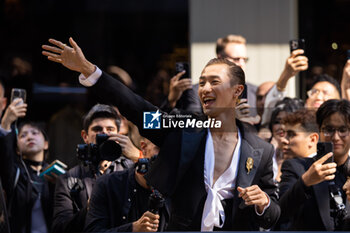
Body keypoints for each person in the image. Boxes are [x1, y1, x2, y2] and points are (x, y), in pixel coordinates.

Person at [42, 37, 280, 231]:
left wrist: (263, 203)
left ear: (237, 90)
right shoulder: (182, 128)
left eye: (214, 82)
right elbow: (136, 107)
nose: (205, 89)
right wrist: (91, 71)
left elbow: (273, 212)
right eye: (201, 82)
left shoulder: (260, 149)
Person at [52, 104, 138, 233]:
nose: (104, 133)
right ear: (85, 136)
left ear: (119, 135)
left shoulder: (132, 169)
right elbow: (60, 228)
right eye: (97, 129)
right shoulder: (68, 179)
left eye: (110, 129)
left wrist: (137, 157)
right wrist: (88, 208)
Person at [279, 99, 350, 230]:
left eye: (342, 129)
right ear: (319, 131)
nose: (335, 137)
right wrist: (305, 182)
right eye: (329, 129)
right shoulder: (297, 167)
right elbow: (279, 214)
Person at [84, 137, 169, 232]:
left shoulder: (180, 189)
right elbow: (92, 230)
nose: (167, 155)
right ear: (144, 148)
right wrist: (133, 229)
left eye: (171, 149)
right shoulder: (108, 184)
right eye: (159, 148)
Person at [0, 119, 55, 233]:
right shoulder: (15, 173)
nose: (30, 137)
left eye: (35, 133)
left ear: (46, 144)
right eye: (23, 135)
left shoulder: (55, 174)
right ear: (17, 150)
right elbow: (5, 156)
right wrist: (5, 124)